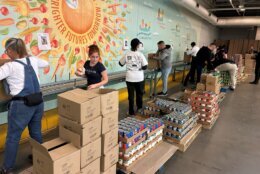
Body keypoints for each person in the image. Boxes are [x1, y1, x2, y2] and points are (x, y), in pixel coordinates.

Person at [0, 38, 49, 174]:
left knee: (13, 137)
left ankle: (7, 168)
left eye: (6, 51)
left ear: (10, 50)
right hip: (38, 102)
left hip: (22, 106)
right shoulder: (32, 60)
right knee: (36, 133)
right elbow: (46, 63)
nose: (7, 54)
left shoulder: (10, 66)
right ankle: (38, 157)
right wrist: (30, 57)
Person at [119, 38, 148, 116]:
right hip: (139, 78)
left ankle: (131, 111)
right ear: (138, 45)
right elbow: (145, 67)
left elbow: (120, 63)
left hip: (129, 78)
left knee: (131, 96)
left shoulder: (127, 54)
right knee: (139, 94)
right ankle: (139, 109)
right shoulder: (140, 54)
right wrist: (139, 68)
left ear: (131, 45)